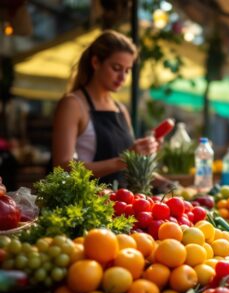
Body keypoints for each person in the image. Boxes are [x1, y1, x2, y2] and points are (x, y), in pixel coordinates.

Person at [52, 30, 158, 186]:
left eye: (127, 70)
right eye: (116, 68)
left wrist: (167, 183)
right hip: (87, 205)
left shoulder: (121, 109)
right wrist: (123, 159)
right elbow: (62, 166)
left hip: (123, 203)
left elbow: (130, 167)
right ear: (96, 63)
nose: (122, 77)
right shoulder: (73, 104)